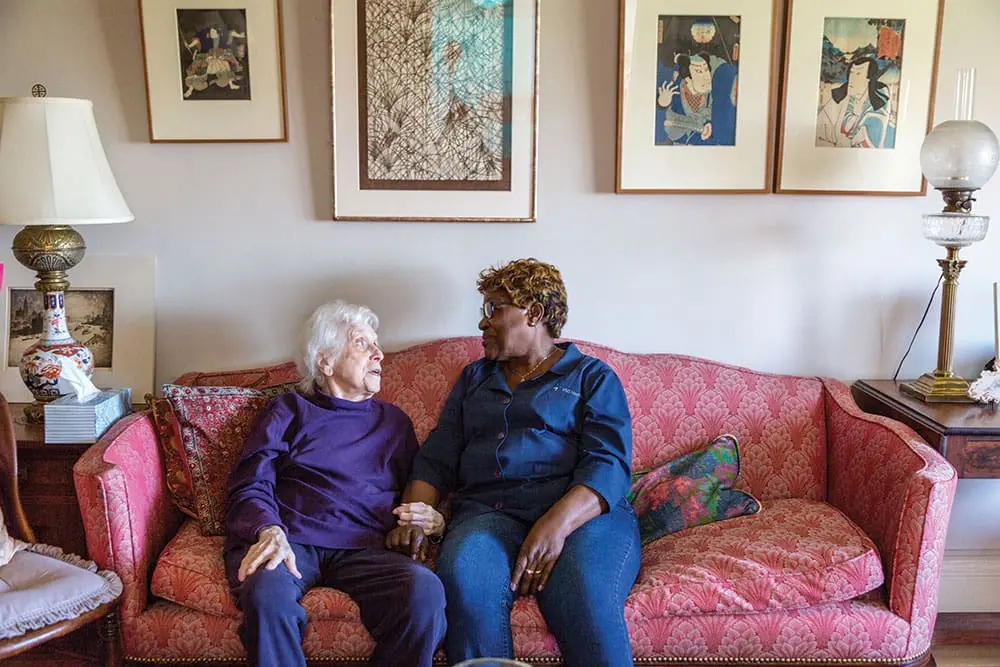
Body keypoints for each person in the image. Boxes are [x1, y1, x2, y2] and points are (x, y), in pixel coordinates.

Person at [388, 259, 641, 667]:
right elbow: (438, 456)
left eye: (494, 309)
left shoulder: (591, 376)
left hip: (582, 518)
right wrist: (413, 517)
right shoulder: (475, 379)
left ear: (534, 313)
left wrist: (553, 527)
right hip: (488, 514)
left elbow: (609, 465)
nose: (483, 323)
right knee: (466, 580)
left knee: (583, 593)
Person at [224, 300, 447, 667]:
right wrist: (268, 530)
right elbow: (250, 481)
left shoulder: (395, 423)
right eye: (363, 344)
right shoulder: (289, 410)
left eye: (377, 345)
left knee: (425, 593)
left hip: (366, 547)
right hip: (292, 541)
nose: (379, 354)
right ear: (325, 361)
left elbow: (418, 492)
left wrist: (433, 522)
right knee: (266, 595)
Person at [816, 57, 895, 149]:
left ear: (869, 80)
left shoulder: (878, 105)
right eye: (851, 73)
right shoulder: (841, 96)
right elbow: (819, 131)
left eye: (858, 74)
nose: (851, 79)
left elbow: (872, 144)